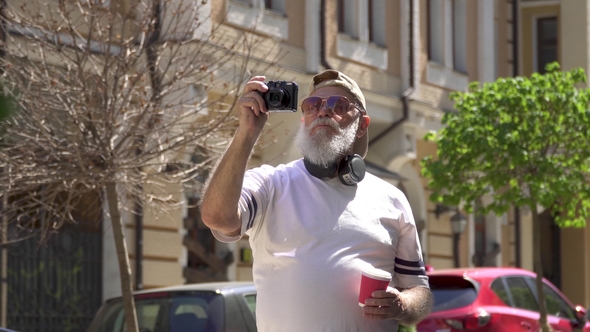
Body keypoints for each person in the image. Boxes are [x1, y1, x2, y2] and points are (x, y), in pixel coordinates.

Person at [200, 69, 433, 331]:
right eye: (312, 105)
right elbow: (217, 217)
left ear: (361, 125)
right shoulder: (271, 184)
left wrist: (402, 304)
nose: (323, 111)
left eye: (338, 105)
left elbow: (419, 292)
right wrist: (246, 133)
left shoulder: (392, 199)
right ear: (303, 120)